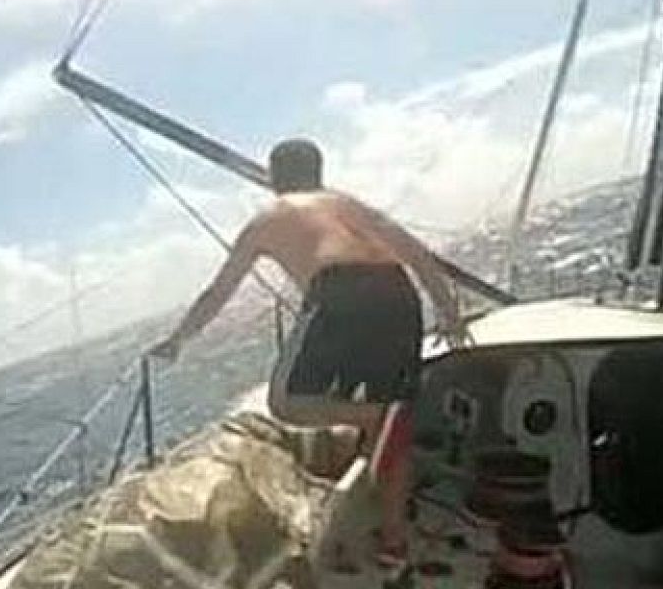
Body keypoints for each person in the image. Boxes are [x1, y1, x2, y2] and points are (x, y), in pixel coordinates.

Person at [149, 138, 463, 566]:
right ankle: (393, 542)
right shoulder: (351, 205)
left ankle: (375, 417)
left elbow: (218, 292)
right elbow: (420, 256)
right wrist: (450, 314)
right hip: (398, 293)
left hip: (339, 292)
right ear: (318, 171)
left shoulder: (268, 218)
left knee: (287, 402)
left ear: (274, 176)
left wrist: (178, 340)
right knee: (389, 425)